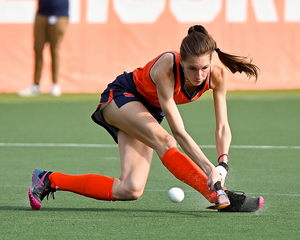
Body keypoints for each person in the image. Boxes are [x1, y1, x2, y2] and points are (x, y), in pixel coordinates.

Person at [29, 25, 264, 212]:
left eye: (204, 68)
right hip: (122, 97)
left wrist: (222, 162)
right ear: (181, 61)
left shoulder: (217, 76)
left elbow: (222, 126)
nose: (199, 75)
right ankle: (218, 195)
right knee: (166, 141)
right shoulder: (166, 68)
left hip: (146, 113)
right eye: (192, 68)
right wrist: (209, 170)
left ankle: (48, 180)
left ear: (211, 62)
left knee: (130, 189)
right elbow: (178, 132)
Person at [18, 0, 69, 97]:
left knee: (55, 49)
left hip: (60, 13)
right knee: (38, 48)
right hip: (42, 13)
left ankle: (55, 84)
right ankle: (36, 85)